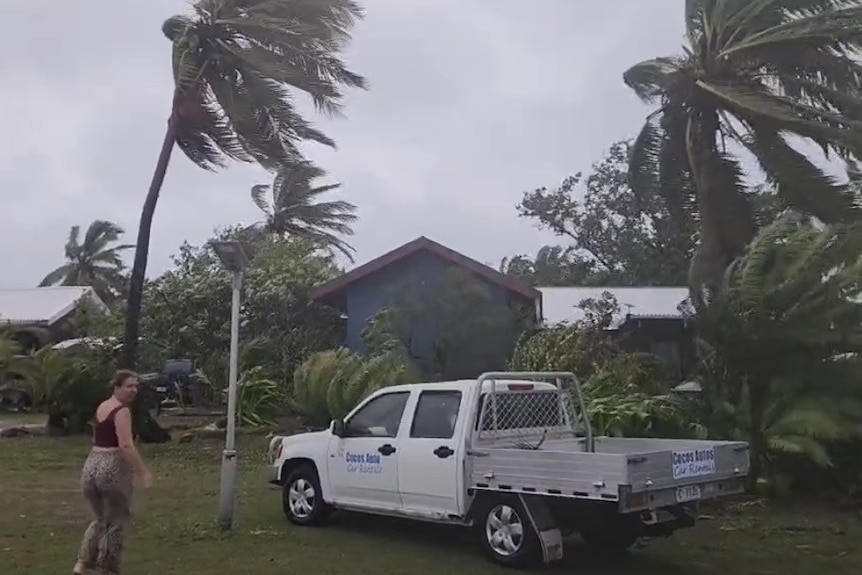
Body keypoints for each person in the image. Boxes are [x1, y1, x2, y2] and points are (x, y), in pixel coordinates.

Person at [73, 370, 153, 575]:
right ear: (116, 387)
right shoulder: (121, 411)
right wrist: (142, 472)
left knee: (99, 518)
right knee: (116, 520)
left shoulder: (102, 407)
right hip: (111, 466)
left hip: (92, 464)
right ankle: (107, 568)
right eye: (129, 386)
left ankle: (82, 564)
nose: (133, 390)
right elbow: (125, 444)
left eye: (136, 386)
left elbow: (96, 437)